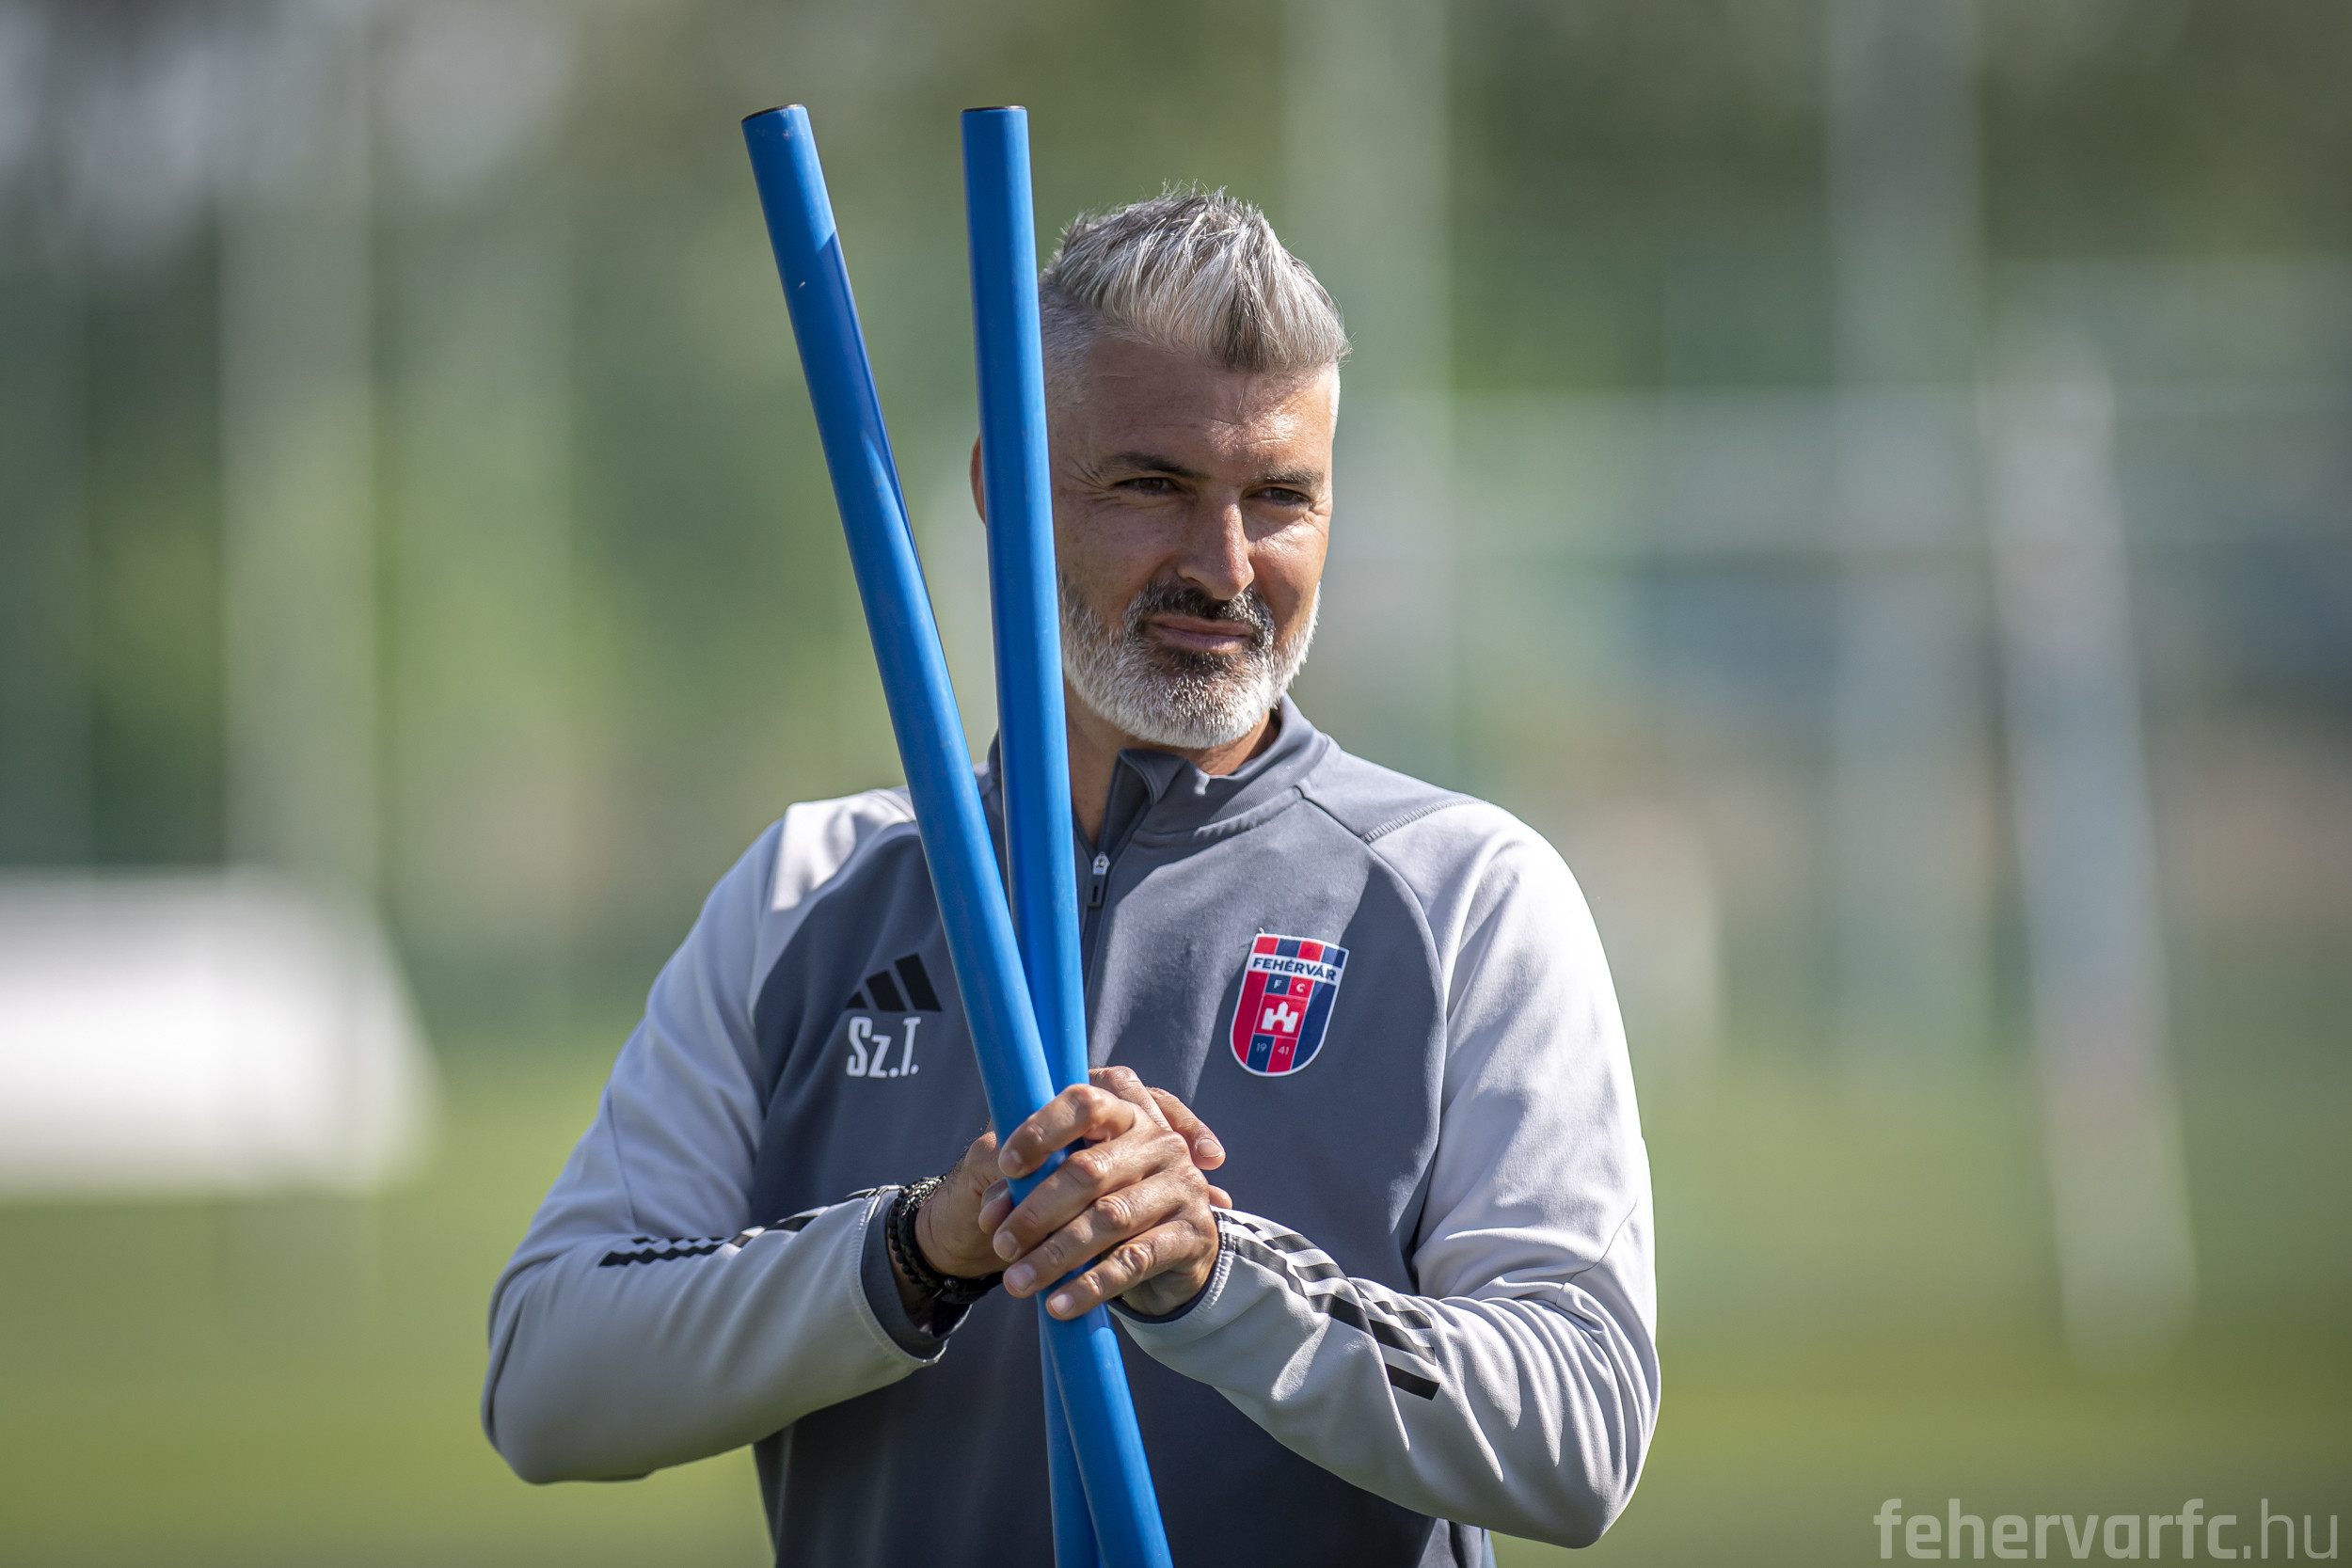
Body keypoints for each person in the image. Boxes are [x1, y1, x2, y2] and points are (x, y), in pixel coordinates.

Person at [483, 190, 1659, 1568]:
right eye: (1152, 486)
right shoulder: (808, 890)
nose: (1224, 566)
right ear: (1008, 491)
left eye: (1280, 498)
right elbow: (548, 1379)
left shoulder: (1466, 895)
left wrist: (1216, 1280)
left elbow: (1580, 1436)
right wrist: (917, 1252)